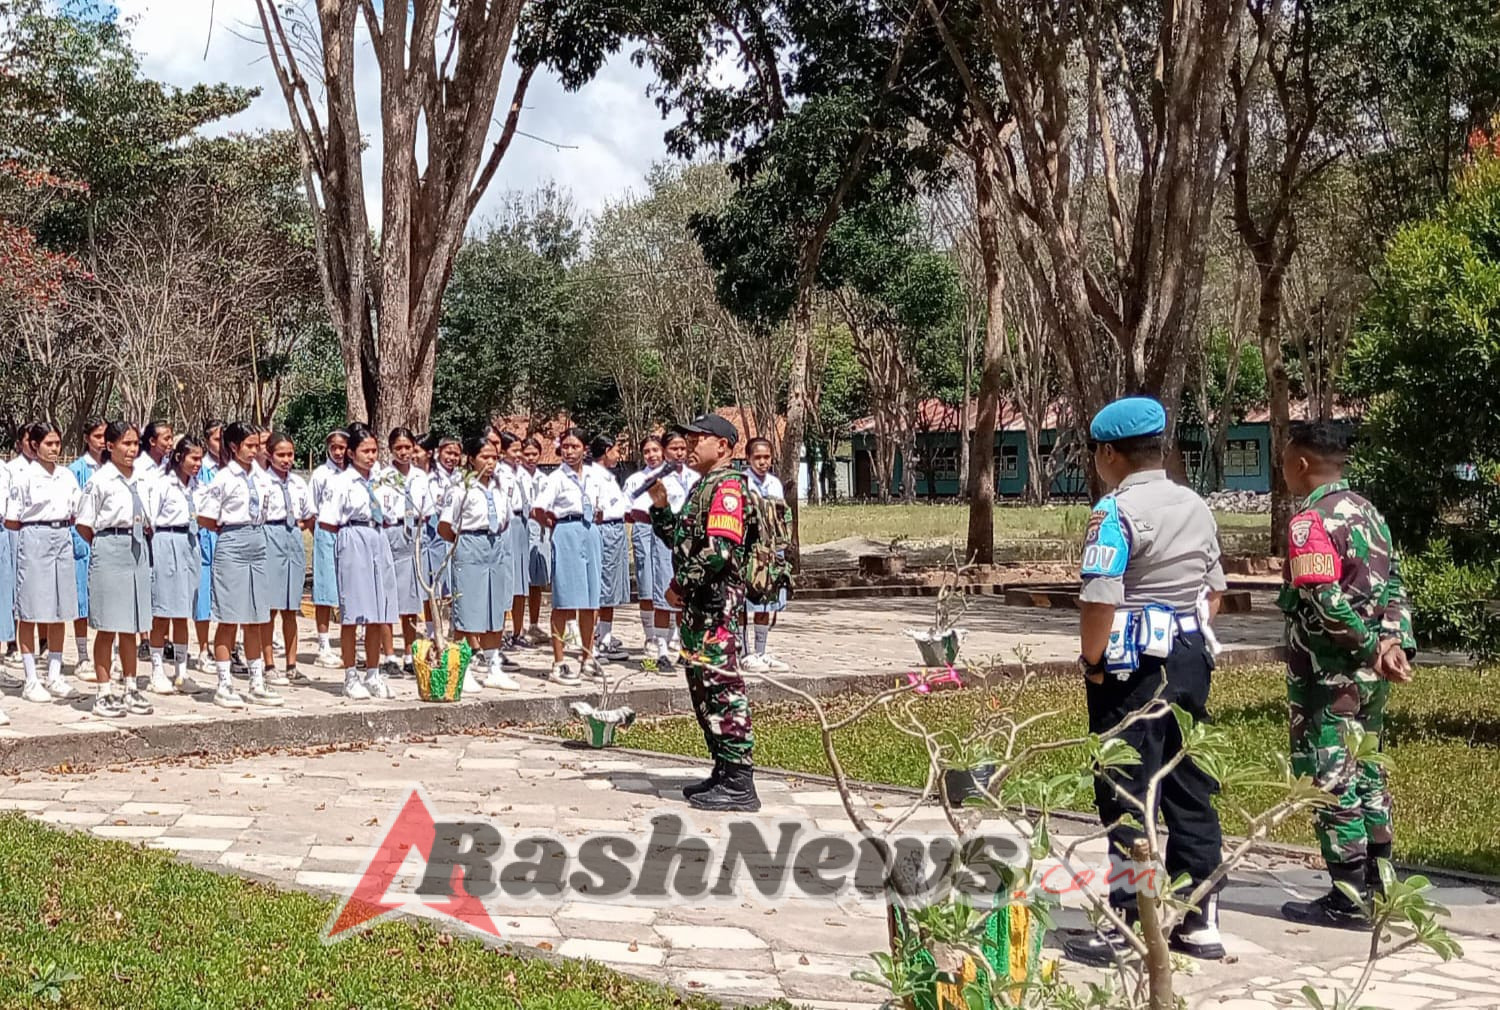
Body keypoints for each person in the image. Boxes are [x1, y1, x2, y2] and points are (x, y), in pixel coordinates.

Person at [1063, 397, 1227, 966]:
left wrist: (1091, 661)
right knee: (1187, 780)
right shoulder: (1196, 505)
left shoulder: (1114, 511)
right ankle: (1201, 914)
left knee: (1127, 788)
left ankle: (1130, 915)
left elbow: (1100, 597)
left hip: (1129, 661)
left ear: (1108, 453)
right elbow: (1215, 592)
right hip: (1189, 652)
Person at [1276, 421, 1416, 929]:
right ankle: (1380, 884)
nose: (1285, 467)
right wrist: (1395, 642)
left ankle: (1346, 896)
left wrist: (1368, 646)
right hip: (1374, 675)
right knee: (1368, 771)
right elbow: (1396, 586)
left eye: (1286, 457)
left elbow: (1325, 600)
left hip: (1329, 675)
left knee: (1333, 776)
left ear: (1303, 464)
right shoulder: (1370, 513)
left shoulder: (1309, 522)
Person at [646, 414, 758, 812]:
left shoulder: (728, 487)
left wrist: (680, 585)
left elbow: (718, 552)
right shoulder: (703, 485)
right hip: (698, 607)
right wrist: (661, 509)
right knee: (703, 689)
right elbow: (684, 540)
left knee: (723, 689)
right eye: (687, 438)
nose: (689, 445)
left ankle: (740, 782)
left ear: (723, 447)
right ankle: (723, 770)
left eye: (699, 439)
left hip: (715, 606)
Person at [74, 421, 155, 718]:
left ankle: (131, 687)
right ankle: (104, 692)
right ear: (110, 446)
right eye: (126, 444)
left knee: (132, 624)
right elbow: (84, 523)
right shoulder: (101, 480)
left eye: (135, 444)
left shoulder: (143, 478)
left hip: (138, 549)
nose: (132, 450)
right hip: (110, 546)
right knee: (108, 624)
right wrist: (105, 545)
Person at [318, 423, 399, 701]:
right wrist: (350, 538)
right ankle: (350, 674)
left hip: (378, 536)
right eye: (365, 451)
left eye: (375, 450)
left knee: (379, 612)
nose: (371, 456)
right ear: (351, 453)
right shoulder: (340, 482)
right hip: (352, 536)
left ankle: (374, 673)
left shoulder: (380, 479)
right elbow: (328, 521)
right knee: (353, 611)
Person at [197, 421, 275, 710]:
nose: (255, 451)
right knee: (230, 616)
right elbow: (206, 517)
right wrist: (228, 534)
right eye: (249, 446)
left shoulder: (261, 477)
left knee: (255, 616)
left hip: (258, 540)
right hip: (231, 541)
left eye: (257, 446)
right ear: (233, 447)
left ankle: (256, 681)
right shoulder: (223, 479)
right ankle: (224, 682)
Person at [6, 422, 83, 707]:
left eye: (57, 443)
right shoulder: (24, 476)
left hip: (62, 534)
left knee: (61, 608)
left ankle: (54, 673)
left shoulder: (66, 477)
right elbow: (12, 518)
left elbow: (78, 509)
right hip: (34, 535)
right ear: (35, 445)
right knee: (31, 609)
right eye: (48, 443)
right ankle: (30, 678)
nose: (54, 449)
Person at [439, 435, 520, 691]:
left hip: (495, 546)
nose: (490, 462)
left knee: (494, 608)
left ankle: (493, 666)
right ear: (471, 459)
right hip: (470, 546)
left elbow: (506, 518)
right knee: (468, 610)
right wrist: (463, 543)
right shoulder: (460, 489)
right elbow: (444, 526)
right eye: (484, 457)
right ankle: (462, 669)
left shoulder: (499, 487)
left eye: (494, 457)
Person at [531, 429, 599, 685]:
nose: (570, 452)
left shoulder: (593, 476)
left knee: (591, 600)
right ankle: (559, 661)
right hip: (566, 529)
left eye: (575, 446)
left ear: (585, 448)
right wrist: (551, 526)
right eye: (566, 447)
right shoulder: (556, 478)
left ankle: (588, 657)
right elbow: (538, 508)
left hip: (590, 529)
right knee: (565, 599)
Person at [146, 435, 207, 696]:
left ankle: (182, 671)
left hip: (190, 541)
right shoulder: (163, 484)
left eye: (201, 458)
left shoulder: (198, 486)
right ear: (180, 457)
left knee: (183, 609)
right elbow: (150, 517)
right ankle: (157, 670)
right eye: (194, 458)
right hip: (166, 540)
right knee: (163, 610)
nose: (198, 463)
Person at [259, 432, 314, 687]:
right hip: (270, 534)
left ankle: (292, 665)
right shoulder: (261, 482)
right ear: (269, 455)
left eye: (290, 454)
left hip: (292, 536)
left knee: (291, 607)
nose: (286, 460)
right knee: (271, 606)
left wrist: (300, 525)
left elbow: (310, 514)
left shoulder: (299, 484)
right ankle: (269, 664)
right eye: (280, 454)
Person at [380, 428, 432, 668]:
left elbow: (428, 510)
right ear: (390, 449)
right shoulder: (384, 477)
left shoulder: (421, 477)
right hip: (392, 532)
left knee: (411, 597)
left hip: (415, 534)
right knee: (389, 595)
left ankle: (409, 653)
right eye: (398, 448)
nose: (403, 452)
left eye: (407, 447)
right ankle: (389, 654)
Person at [740, 437, 791, 675]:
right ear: (748, 458)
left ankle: (761, 651)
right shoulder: (742, 482)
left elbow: (781, 518)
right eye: (757, 457)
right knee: (744, 601)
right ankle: (744, 652)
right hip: (749, 550)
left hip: (771, 549)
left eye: (766, 457)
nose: (762, 462)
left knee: (767, 600)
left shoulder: (774, 483)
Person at [647, 432, 694, 670]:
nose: (679, 453)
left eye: (683, 448)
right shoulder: (657, 479)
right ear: (664, 451)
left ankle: (685, 648)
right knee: (663, 597)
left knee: (684, 596)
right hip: (665, 541)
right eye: (674, 448)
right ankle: (661, 650)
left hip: (689, 544)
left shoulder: (695, 477)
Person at [623, 436, 667, 669]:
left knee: (668, 580)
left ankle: (672, 635)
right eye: (647, 451)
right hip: (643, 528)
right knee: (646, 580)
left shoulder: (672, 476)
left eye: (655, 450)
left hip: (666, 528)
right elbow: (627, 509)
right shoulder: (635, 480)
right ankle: (650, 635)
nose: (652, 455)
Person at [587, 435, 631, 662]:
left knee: (611, 587)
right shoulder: (592, 476)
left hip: (616, 529)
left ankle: (606, 638)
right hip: (604, 530)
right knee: (601, 586)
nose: (618, 455)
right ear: (606, 450)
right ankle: (592, 641)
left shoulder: (608, 476)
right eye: (616, 450)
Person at [68, 419, 106, 676]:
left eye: (105, 436)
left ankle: (108, 653)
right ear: (87, 438)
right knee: (82, 599)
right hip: (83, 537)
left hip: (108, 538)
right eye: (97, 436)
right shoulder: (77, 470)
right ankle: (82, 655)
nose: (102, 441)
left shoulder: (114, 468)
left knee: (107, 598)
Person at [310, 430, 349, 668]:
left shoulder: (353, 473)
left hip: (348, 532)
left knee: (350, 589)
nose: (338, 452)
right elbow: (313, 507)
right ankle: (323, 645)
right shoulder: (321, 474)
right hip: (326, 533)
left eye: (342, 447)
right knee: (324, 591)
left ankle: (349, 642)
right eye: (333, 447)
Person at [192, 419, 225, 673]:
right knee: (203, 592)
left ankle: (230, 646)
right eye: (216, 439)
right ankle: (204, 649)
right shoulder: (200, 470)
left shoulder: (234, 469)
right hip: (205, 534)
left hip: (227, 535)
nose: (220, 445)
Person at [422, 435, 462, 639]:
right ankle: (432, 631)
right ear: (438, 453)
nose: (452, 457)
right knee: (435, 585)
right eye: (448, 453)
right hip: (435, 532)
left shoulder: (462, 479)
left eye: (456, 454)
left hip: (457, 532)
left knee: (456, 584)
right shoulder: (430, 478)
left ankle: (456, 627)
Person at [520, 436, 551, 644]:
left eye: (534, 454)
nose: (531, 458)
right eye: (527, 453)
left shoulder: (544, 479)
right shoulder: (517, 476)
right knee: (521, 580)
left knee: (537, 580)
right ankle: (517, 625)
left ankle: (534, 623)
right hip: (522, 528)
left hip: (540, 531)